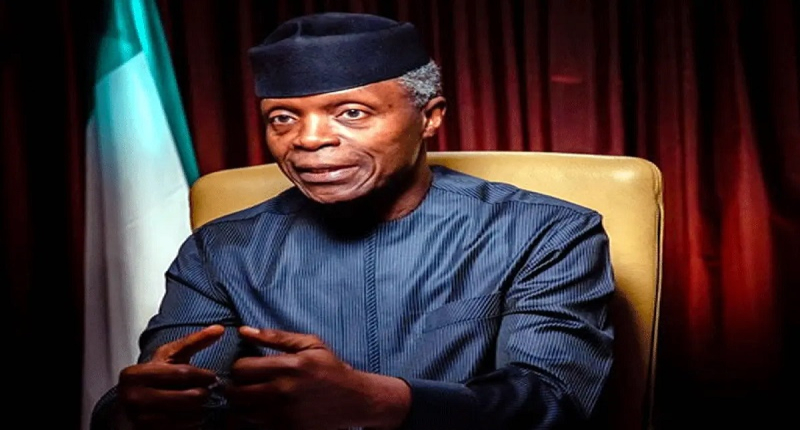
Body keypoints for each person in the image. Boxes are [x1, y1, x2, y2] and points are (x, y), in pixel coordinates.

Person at [91, 11, 614, 430]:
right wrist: (135, 410)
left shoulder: (546, 232)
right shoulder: (221, 249)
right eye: (282, 117)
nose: (309, 139)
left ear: (430, 116)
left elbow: (555, 404)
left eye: (351, 113)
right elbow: (170, 392)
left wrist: (379, 400)